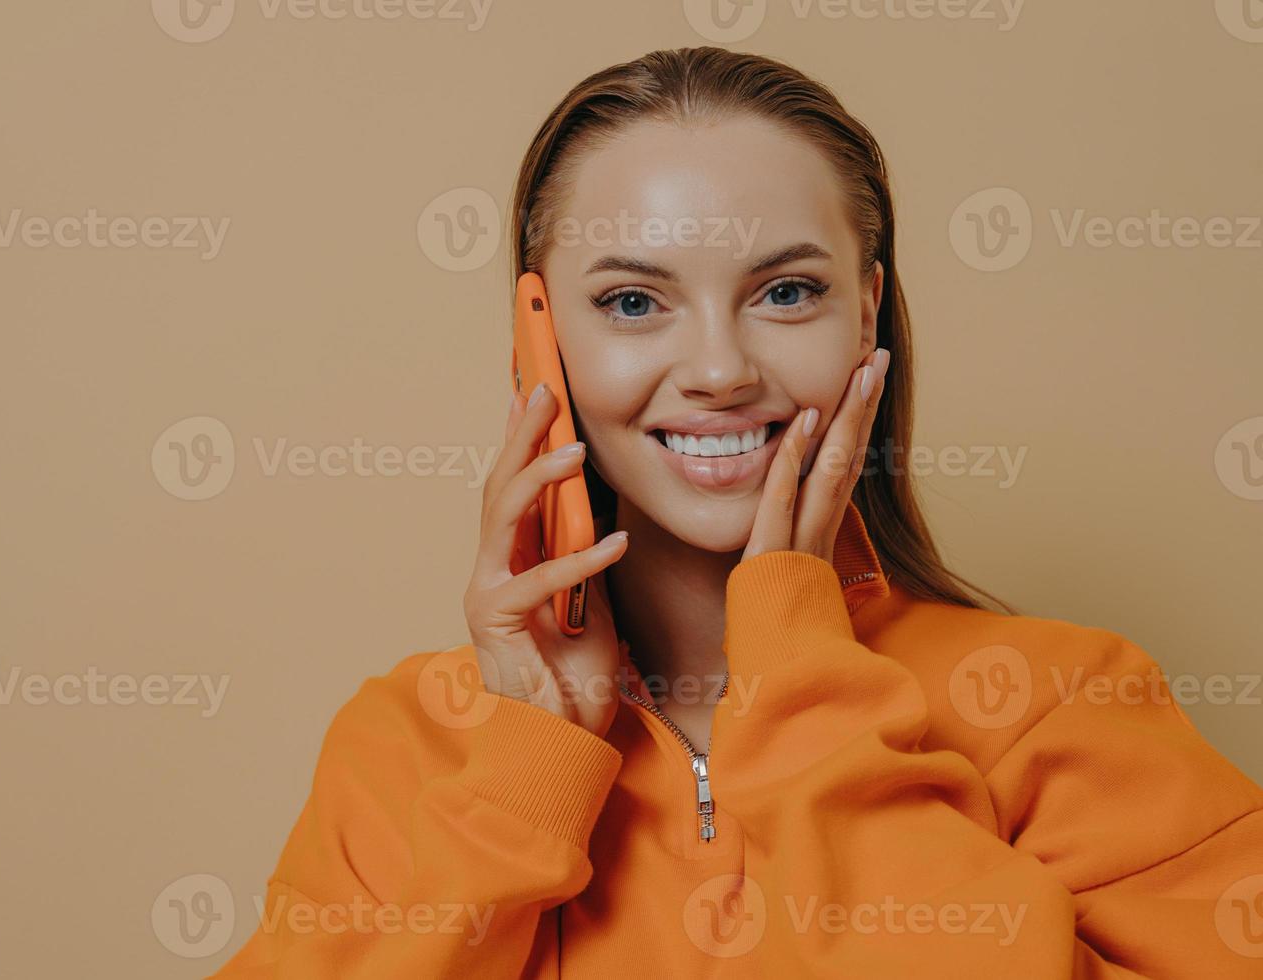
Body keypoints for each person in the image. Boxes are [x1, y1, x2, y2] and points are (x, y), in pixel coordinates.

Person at [211, 46, 1263, 977]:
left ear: (867, 313)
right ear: (540, 338)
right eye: (632, 301)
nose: (718, 368)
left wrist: (804, 682)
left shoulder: (1067, 703)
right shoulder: (403, 746)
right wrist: (526, 767)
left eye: (786, 292)